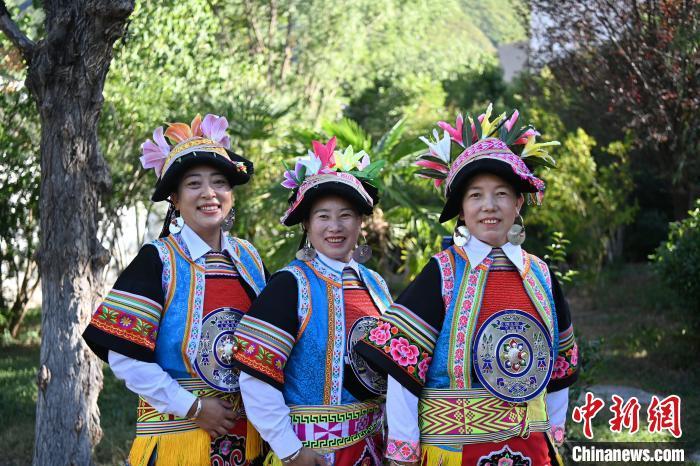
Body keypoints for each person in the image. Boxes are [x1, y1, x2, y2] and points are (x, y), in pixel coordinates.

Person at [356, 105, 579, 466]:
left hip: (530, 450)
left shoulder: (540, 275)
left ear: (518, 202)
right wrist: (403, 450)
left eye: (501, 194)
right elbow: (402, 371)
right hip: (453, 451)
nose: (489, 206)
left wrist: (552, 437)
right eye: (475, 195)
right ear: (461, 209)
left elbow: (559, 371)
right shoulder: (441, 273)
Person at [83, 114, 267, 465]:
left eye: (219, 182)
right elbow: (124, 355)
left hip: (249, 438)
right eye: (194, 184)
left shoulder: (249, 258)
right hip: (181, 439)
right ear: (176, 200)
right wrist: (193, 407)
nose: (209, 193)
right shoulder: (158, 260)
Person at [232, 137, 392, 465]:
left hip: (371, 450)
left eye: (346, 215)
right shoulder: (290, 285)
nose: (335, 227)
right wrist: (289, 448)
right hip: (310, 454)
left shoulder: (376, 286)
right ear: (306, 223)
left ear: (360, 222)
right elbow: (254, 376)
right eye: (323, 216)